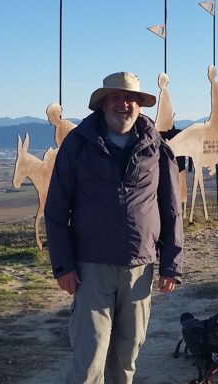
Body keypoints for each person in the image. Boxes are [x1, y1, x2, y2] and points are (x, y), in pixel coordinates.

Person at [45, 71, 184, 384]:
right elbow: (55, 210)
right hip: (90, 267)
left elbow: (171, 208)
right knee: (90, 355)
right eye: (117, 97)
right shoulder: (77, 144)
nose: (124, 104)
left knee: (127, 354)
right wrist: (63, 265)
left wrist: (171, 265)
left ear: (140, 105)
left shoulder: (157, 146)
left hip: (140, 267)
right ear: (103, 103)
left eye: (131, 98)